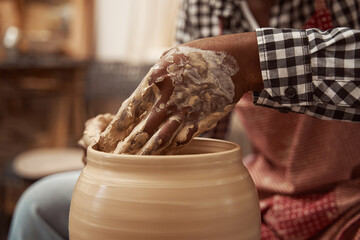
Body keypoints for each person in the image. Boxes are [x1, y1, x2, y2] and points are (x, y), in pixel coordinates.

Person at [8, 0, 360, 239]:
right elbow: (194, 130)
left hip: (351, 197)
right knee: (39, 204)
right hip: (268, 187)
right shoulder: (204, 5)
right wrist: (118, 147)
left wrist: (252, 61)